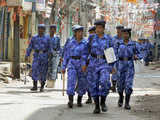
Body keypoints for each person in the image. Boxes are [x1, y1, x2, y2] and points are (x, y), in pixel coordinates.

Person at [87, 20, 115, 114]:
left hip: (104, 63)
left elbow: (112, 52)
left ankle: (103, 102)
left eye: (100, 28)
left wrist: (112, 66)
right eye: (96, 28)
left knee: (105, 82)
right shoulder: (91, 38)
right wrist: (84, 63)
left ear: (103, 28)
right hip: (93, 63)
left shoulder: (108, 39)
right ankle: (96, 106)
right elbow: (86, 50)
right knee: (93, 85)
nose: (98, 30)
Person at [61, 25, 88, 108]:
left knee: (82, 82)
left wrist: (84, 65)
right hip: (72, 62)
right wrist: (63, 66)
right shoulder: (70, 42)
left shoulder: (85, 43)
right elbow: (66, 55)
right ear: (75, 33)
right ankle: (70, 100)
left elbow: (86, 55)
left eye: (81, 32)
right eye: (78, 32)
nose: (80, 33)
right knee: (71, 80)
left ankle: (79, 99)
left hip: (81, 63)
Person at [117, 28, 142, 110]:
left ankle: (127, 103)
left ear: (129, 35)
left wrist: (136, 56)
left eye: (127, 34)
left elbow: (140, 54)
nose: (125, 35)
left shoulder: (134, 44)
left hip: (130, 66)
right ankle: (121, 97)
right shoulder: (118, 43)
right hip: (120, 66)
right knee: (120, 85)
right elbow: (113, 54)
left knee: (128, 85)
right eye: (124, 34)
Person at [25, 24, 52, 92]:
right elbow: (30, 47)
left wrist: (50, 55)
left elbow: (50, 47)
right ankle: (35, 85)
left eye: (42, 29)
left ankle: (42, 86)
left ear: (44, 30)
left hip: (44, 56)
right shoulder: (34, 38)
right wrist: (27, 54)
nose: (40, 30)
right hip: (36, 56)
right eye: (39, 29)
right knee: (34, 69)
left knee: (43, 71)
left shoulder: (47, 38)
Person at [111, 25, 124, 92]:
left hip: (122, 59)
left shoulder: (125, 39)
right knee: (114, 72)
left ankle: (120, 86)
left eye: (120, 31)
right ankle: (113, 86)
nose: (119, 32)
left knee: (121, 72)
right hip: (114, 58)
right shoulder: (113, 39)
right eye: (118, 31)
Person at [85, 26, 96, 104]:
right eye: (90, 33)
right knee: (89, 80)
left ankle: (96, 98)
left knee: (97, 80)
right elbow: (86, 51)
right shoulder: (89, 39)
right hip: (90, 62)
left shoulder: (105, 39)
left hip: (100, 63)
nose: (91, 34)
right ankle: (89, 97)